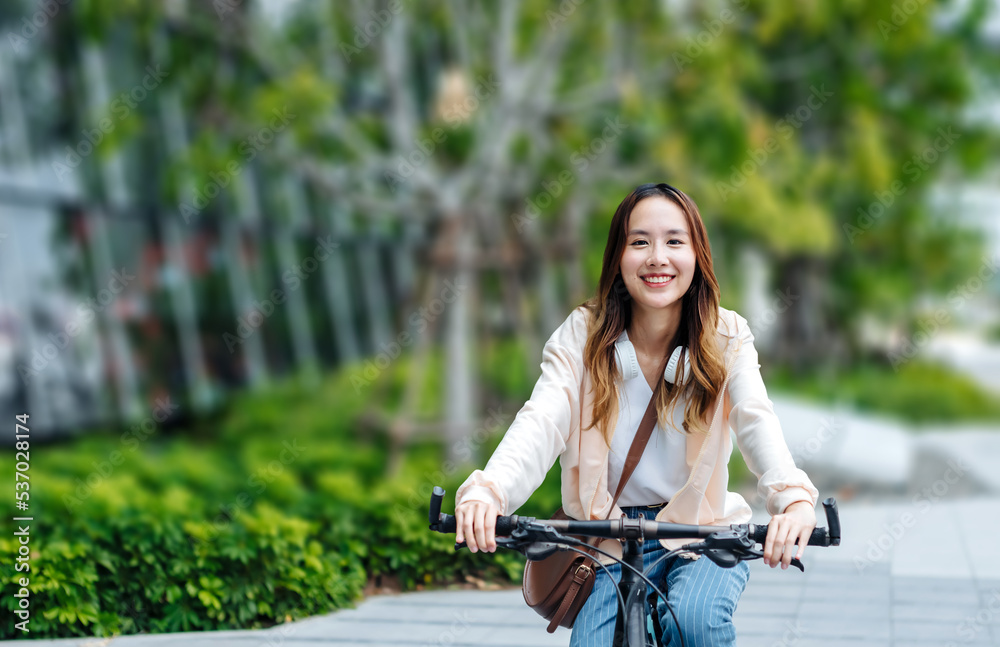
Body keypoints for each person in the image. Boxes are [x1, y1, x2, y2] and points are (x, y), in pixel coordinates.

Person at [454, 183, 819, 646]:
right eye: (639, 241)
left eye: (674, 241)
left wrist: (793, 499)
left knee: (695, 622)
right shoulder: (581, 336)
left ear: (697, 254)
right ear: (618, 256)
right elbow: (541, 420)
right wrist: (489, 493)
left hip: (702, 536)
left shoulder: (726, 336)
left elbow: (754, 417)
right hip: (608, 537)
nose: (657, 257)